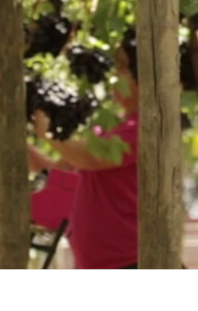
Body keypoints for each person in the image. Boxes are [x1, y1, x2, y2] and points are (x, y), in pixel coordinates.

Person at [29, 34, 139, 269]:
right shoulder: (108, 126)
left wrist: (47, 133)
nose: (116, 77)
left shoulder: (145, 127)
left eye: (125, 71)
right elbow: (58, 170)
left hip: (131, 264)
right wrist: (18, 144)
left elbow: (90, 158)